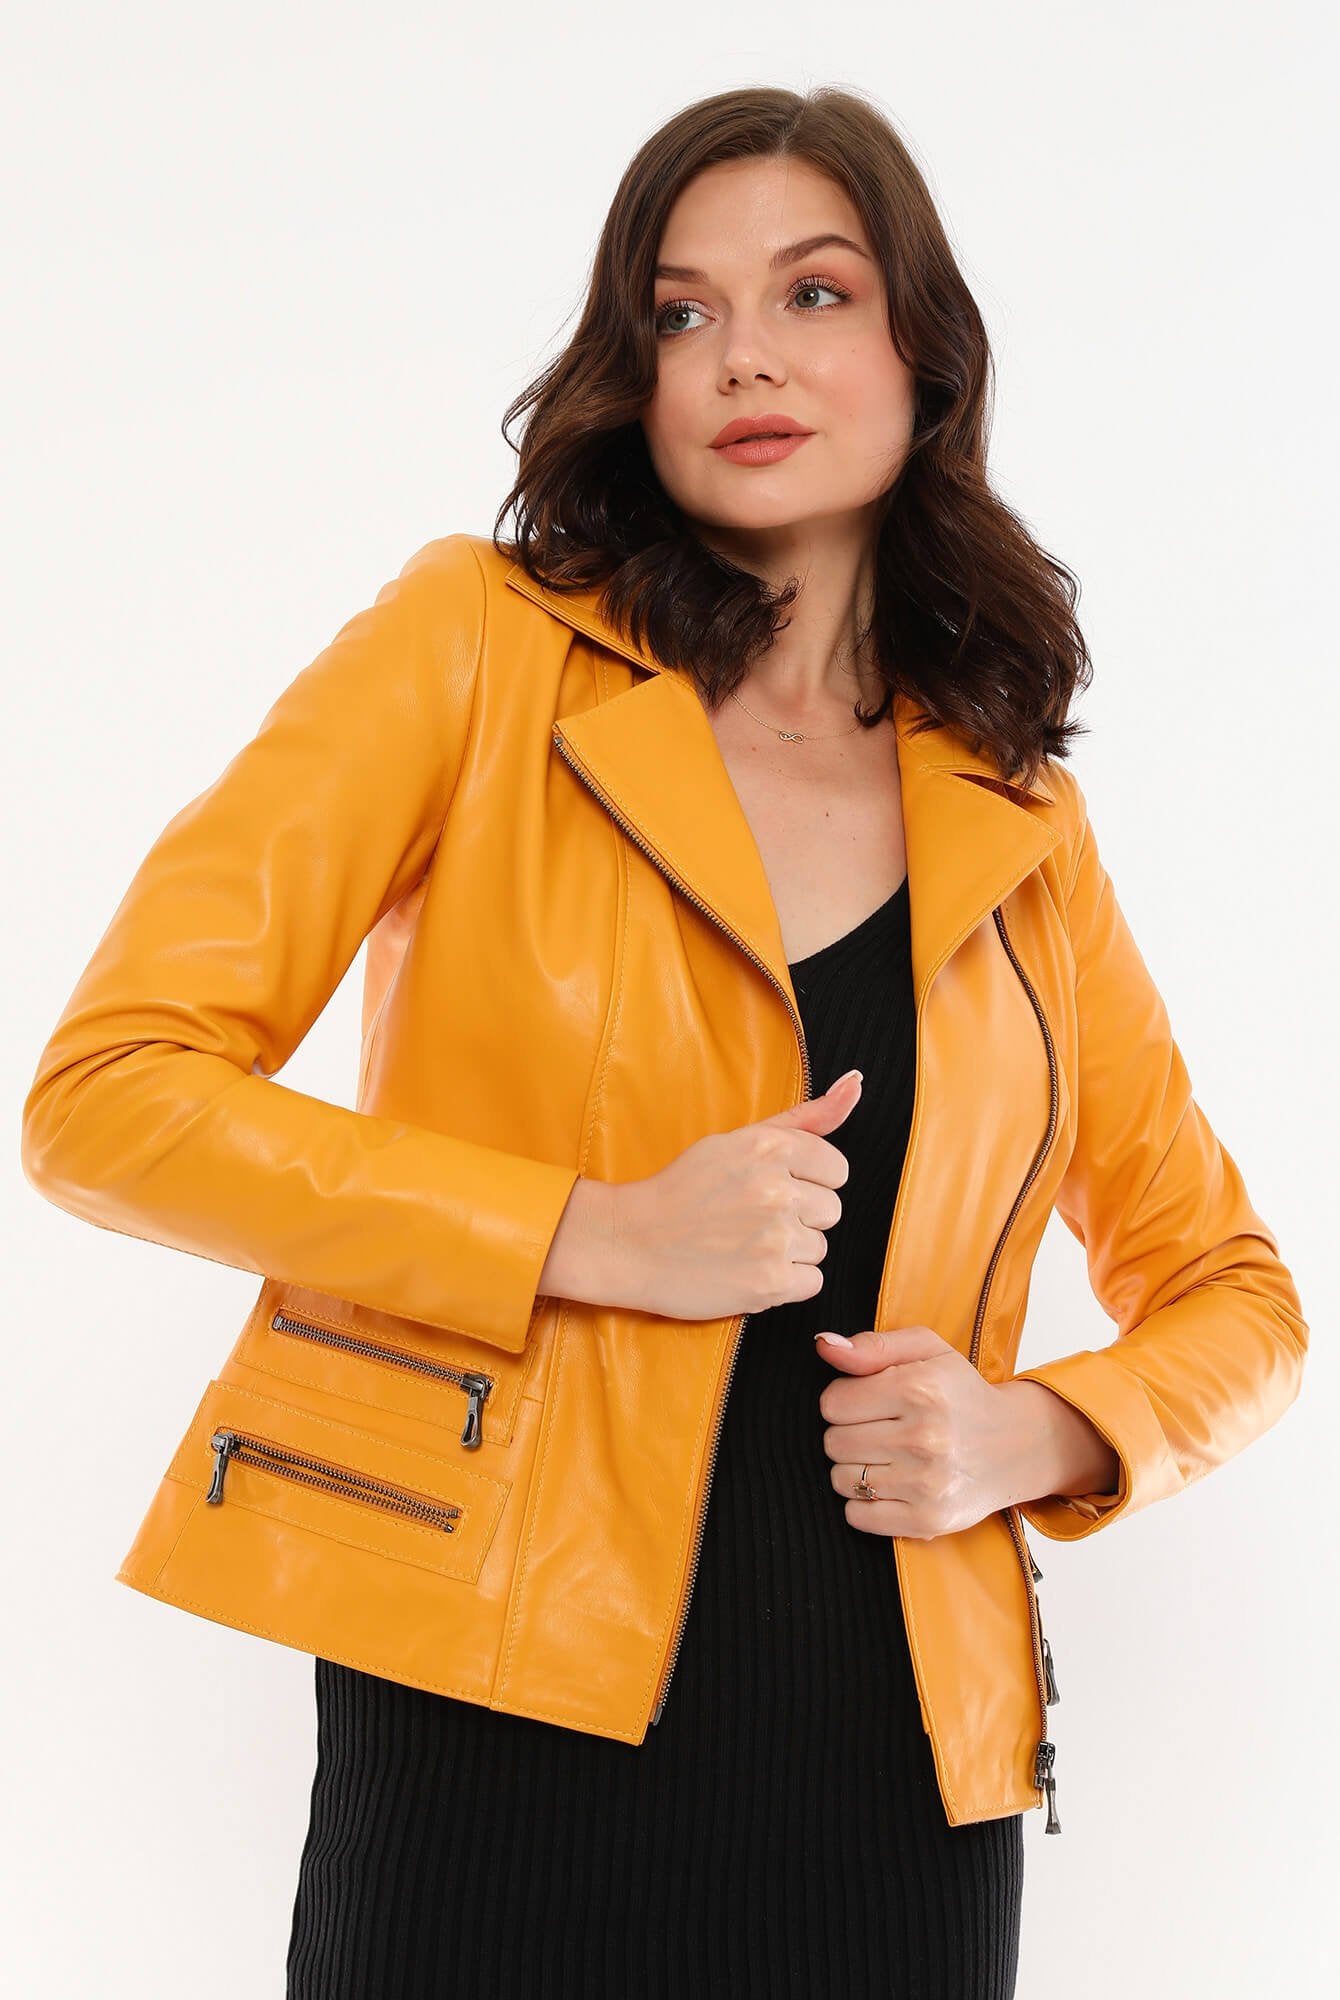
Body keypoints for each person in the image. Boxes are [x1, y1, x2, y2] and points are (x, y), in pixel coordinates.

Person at [20, 85, 1308, 2000]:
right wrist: (590, 1232)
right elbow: (109, 1096)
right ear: (633, 376)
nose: (744, 356)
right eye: (681, 311)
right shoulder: (477, 649)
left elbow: (1234, 1295)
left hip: (899, 1772)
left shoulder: (1017, 813)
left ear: (927, 354)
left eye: (813, 292)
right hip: (491, 1706)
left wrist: (1033, 1432)